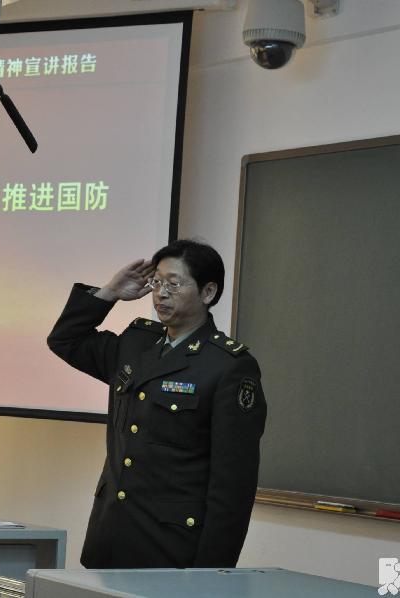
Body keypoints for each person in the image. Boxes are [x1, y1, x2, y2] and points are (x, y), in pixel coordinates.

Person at [47, 239, 266, 569]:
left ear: (207, 293)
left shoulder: (228, 367)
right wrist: (109, 292)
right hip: (110, 539)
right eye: (157, 282)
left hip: (171, 550)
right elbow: (65, 340)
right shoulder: (137, 343)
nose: (161, 293)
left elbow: (232, 487)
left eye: (174, 284)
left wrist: (210, 573)